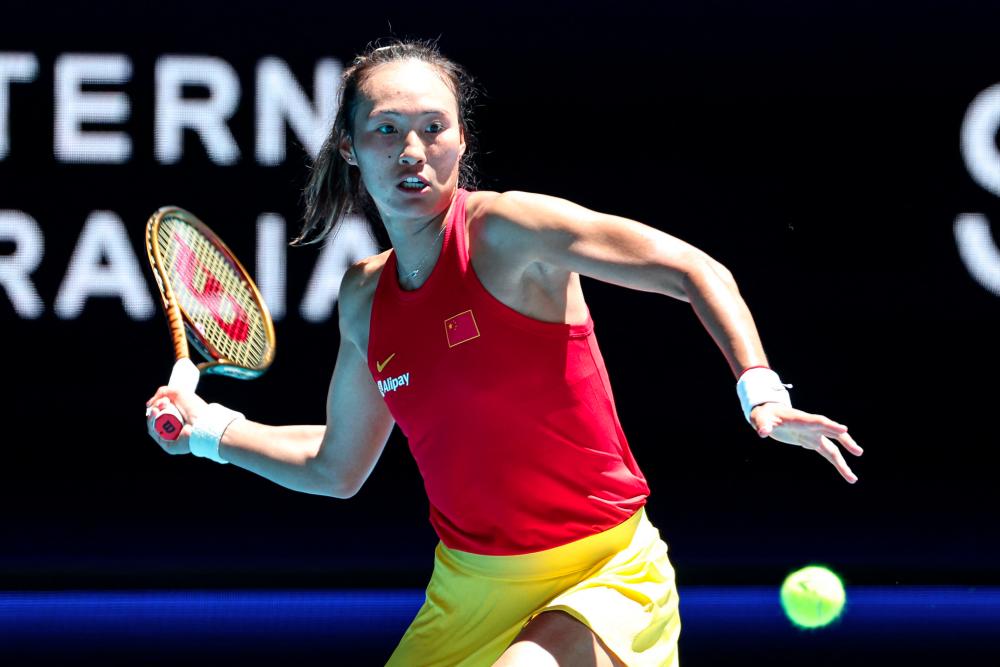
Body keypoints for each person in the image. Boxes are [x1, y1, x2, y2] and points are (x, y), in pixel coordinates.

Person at [146, 39, 863, 666]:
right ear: (348, 147)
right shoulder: (363, 297)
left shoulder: (512, 233)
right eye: (386, 130)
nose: (412, 151)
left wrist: (762, 391)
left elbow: (694, 270)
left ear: (461, 138)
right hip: (468, 587)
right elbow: (336, 466)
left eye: (434, 127)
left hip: (603, 570)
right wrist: (209, 431)